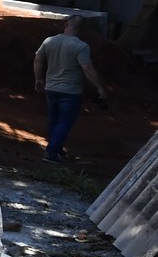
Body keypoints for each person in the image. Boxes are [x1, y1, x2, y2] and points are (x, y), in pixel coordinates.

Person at [34, 14, 108, 163]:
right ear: (82, 29)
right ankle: (51, 152)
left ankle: (57, 149)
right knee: (65, 122)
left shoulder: (49, 41)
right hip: (70, 91)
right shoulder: (81, 46)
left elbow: (38, 59)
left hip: (51, 88)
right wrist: (100, 88)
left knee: (54, 120)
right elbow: (87, 68)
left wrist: (39, 78)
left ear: (66, 25)